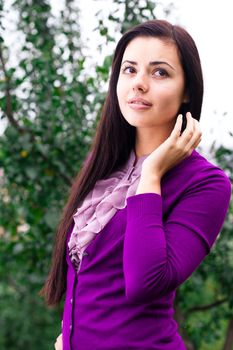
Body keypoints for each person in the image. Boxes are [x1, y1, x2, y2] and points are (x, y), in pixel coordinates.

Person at [40, 19, 232, 350]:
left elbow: (145, 282)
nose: (139, 83)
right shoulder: (104, 166)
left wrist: (152, 174)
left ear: (187, 89)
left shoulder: (207, 184)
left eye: (159, 72)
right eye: (129, 70)